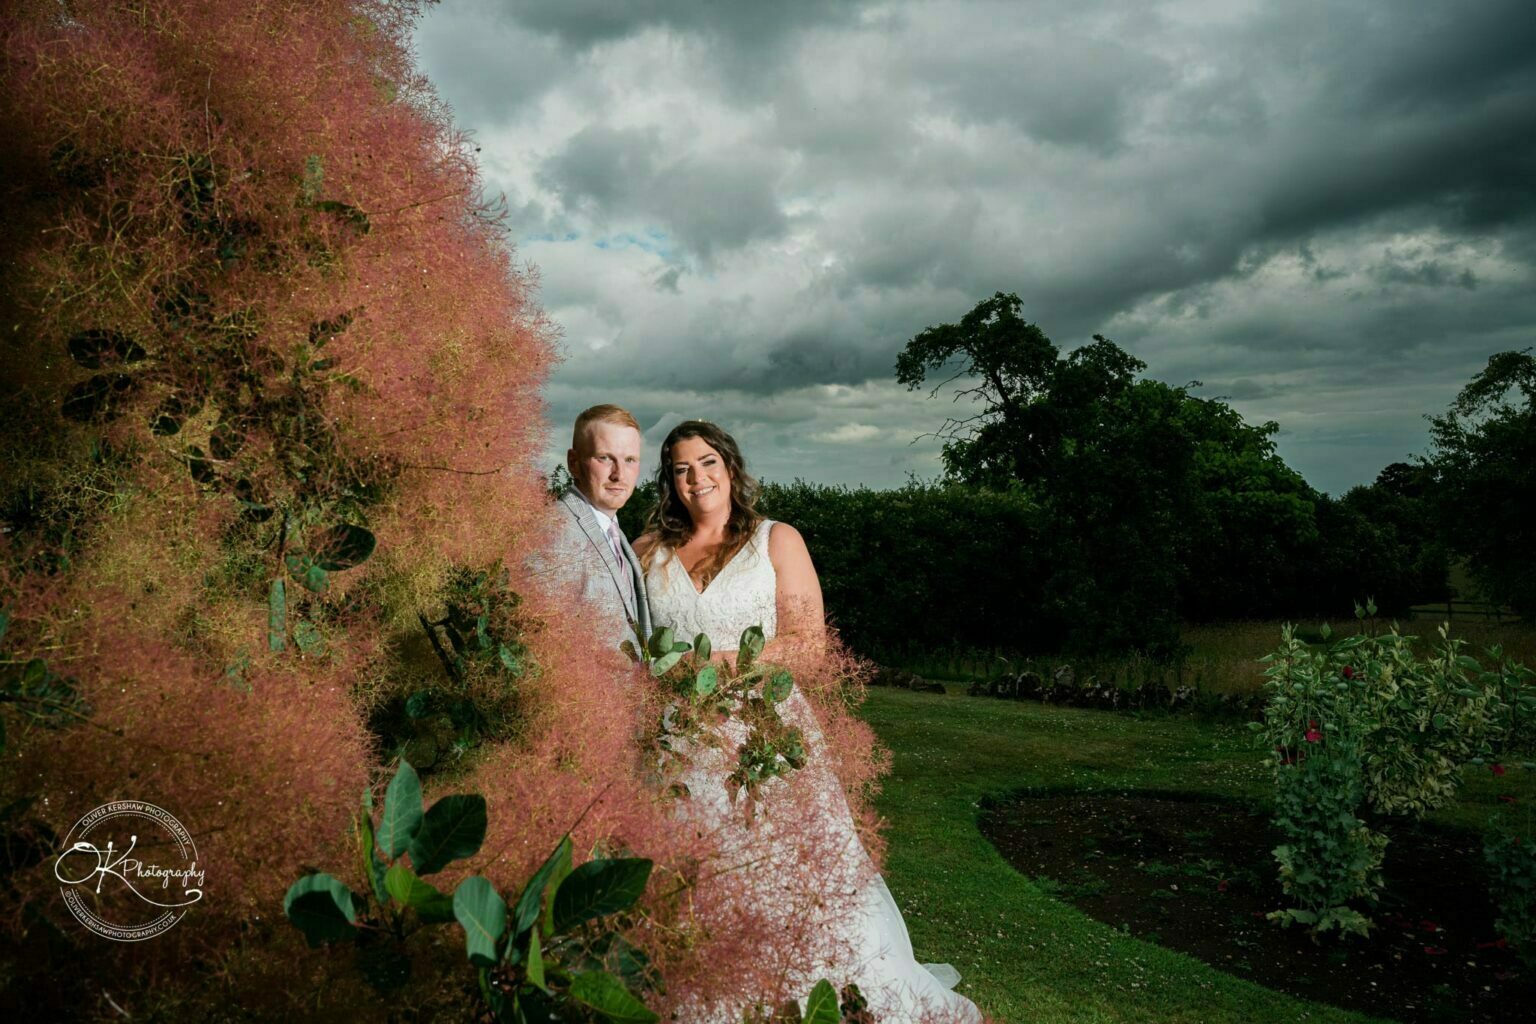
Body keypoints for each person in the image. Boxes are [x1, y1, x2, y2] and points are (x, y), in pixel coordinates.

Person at [634, 420, 982, 1023]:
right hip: (681, 737)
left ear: (731, 468)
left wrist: (711, 663)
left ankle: (808, 988)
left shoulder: (776, 540)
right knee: (695, 864)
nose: (698, 478)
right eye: (682, 469)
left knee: (787, 863)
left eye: (709, 462)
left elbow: (806, 647)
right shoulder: (645, 552)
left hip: (764, 731)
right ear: (669, 481)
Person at [544, 404, 651, 655]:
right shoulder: (552, 531)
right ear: (574, 462)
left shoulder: (615, 533)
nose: (619, 474)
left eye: (629, 460)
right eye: (605, 458)